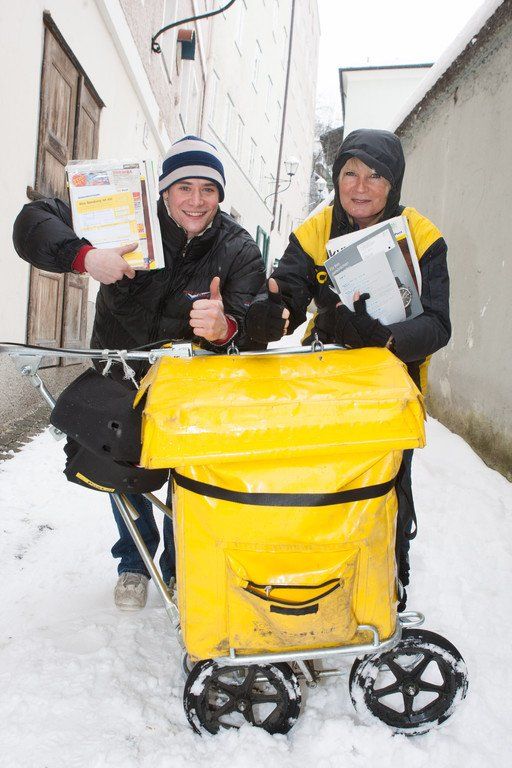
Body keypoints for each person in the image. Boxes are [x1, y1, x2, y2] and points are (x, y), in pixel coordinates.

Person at [13, 135, 265, 610]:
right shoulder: (125, 216)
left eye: (208, 189)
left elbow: (253, 325)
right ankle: (134, 559)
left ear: (219, 195)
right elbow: (32, 223)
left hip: (190, 386)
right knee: (123, 470)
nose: (196, 200)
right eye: (184, 187)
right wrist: (85, 257)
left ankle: (178, 567)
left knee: (186, 480)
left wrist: (225, 326)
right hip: (121, 373)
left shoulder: (238, 249)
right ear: (164, 190)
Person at [245, 128, 450, 609]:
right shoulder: (316, 230)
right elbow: (285, 292)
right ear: (337, 178)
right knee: (325, 488)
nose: (360, 187)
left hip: (391, 389)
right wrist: (267, 314)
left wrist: (386, 338)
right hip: (327, 384)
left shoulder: (423, 236)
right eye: (350, 173)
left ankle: (388, 585)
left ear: (393, 183)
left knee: (385, 491)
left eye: (375, 176)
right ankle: (321, 587)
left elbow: (439, 324)